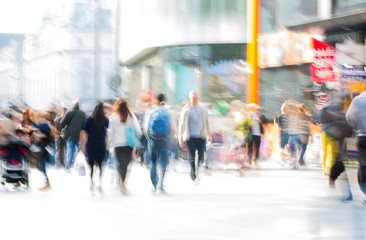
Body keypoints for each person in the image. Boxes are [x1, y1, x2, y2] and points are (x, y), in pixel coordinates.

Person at [144, 93, 176, 192]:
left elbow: (145, 128)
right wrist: (170, 137)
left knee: (153, 162)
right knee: (163, 163)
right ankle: (161, 186)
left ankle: (154, 183)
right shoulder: (169, 112)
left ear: (156, 100)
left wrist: (149, 138)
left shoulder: (151, 111)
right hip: (164, 140)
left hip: (153, 140)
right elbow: (173, 128)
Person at [108, 99, 141, 193]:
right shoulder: (130, 116)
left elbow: (110, 132)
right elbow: (138, 130)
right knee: (125, 165)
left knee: (119, 164)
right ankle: (123, 183)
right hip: (128, 144)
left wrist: (110, 142)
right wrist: (137, 139)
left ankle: (121, 182)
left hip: (117, 144)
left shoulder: (114, 117)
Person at [178, 91, 211, 182]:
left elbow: (207, 122)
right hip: (190, 137)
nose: (195, 99)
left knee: (201, 156)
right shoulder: (186, 110)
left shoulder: (203, 109)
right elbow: (181, 124)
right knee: (192, 156)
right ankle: (193, 175)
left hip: (201, 136)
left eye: (196, 97)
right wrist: (180, 137)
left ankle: (197, 169)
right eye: (193, 98)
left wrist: (209, 134)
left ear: (198, 98)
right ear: (190, 99)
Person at [80, 103, 109, 192]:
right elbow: (108, 131)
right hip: (101, 143)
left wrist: (83, 145)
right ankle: (100, 183)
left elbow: (85, 133)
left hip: (91, 144)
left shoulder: (89, 120)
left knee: (91, 165)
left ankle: (92, 182)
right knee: (100, 165)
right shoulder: (105, 119)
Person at [346, 89, 366, 203]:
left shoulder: (358, 100)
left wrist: (356, 126)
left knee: (363, 167)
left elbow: (349, 117)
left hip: (363, 137)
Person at [60, 100, 86, 171]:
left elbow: (62, 123)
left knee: (70, 150)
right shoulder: (82, 113)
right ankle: (79, 167)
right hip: (79, 135)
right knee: (79, 151)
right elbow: (85, 125)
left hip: (70, 134)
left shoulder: (69, 112)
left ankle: (68, 166)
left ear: (73, 105)